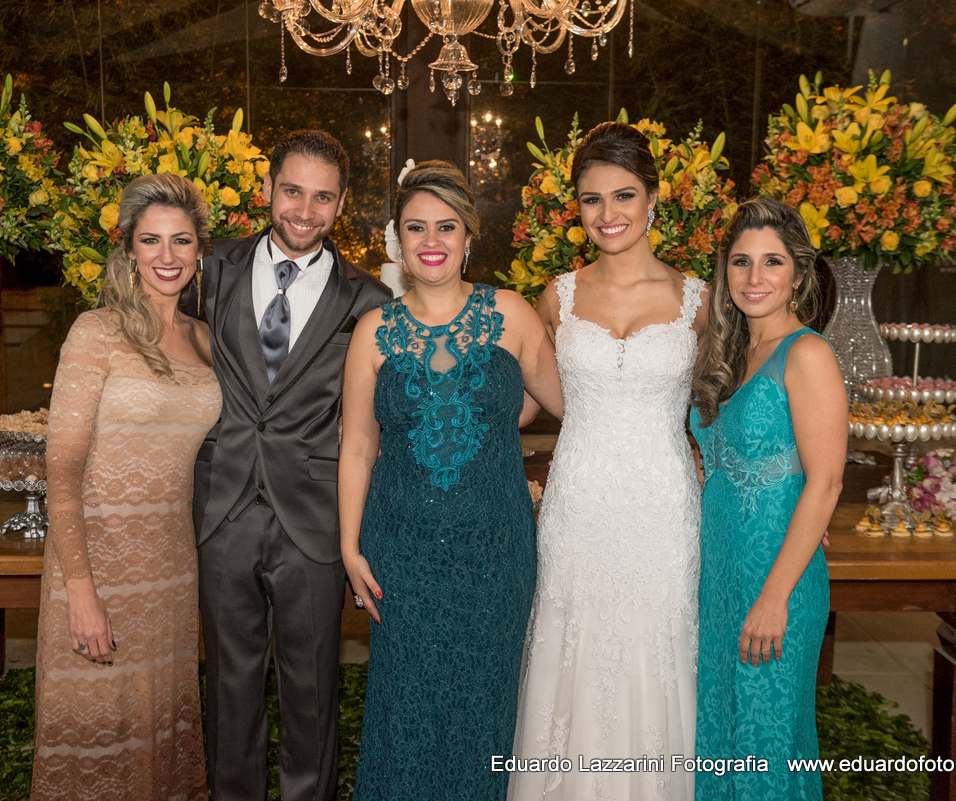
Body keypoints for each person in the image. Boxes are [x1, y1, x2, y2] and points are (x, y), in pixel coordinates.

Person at [339, 160, 564, 800]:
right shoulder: (373, 331)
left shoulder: (512, 314)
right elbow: (357, 446)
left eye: (446, 226)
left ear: (469, 235)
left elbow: (571, 405)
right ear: (398, 238)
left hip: (496, 556)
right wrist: (350, 549)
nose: (431, 240)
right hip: (400, 556)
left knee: (486, 712)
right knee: (404, 711)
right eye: (416, 227)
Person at [509, 120, 708, 801]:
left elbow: (731, 409)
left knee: (659, 648)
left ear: (654, 198)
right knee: (574, 647)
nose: (607, 214)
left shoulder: (699, 301)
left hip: (663, 509)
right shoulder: (556, 297)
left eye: (624, 195)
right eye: (591, 199)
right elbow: (521, 402)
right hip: (579, 506)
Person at [190, 130, 390, 801]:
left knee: (313, 691)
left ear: (342, 204)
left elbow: (380, 421)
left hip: (314, 517)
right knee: (229, 687)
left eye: (323, 197)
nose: (305, 211)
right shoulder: (208, 270)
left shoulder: (368, 301)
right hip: (221, 508)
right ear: (267, 188)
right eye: (293, 191)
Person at [32, 173, 219, 801]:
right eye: (151, 240)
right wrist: (80, 592)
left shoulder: (205, 339)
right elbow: (62, 471)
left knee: (158, 728)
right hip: (99, 566)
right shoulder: (97, 332)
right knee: (97, 737)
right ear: (129, 250)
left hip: (171, 568)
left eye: (181, 240)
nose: (167, 256)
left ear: (199, 250)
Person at [689, 196, 846, 800]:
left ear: (798, 275)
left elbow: (826, 482)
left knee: (768, 747)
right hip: (721, 575)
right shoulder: (730, 353)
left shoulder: (807, 354)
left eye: (772, 262)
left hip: (776, 581)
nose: (755, 277)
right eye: (741, 262)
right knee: (720, 738)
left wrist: (775, 597)